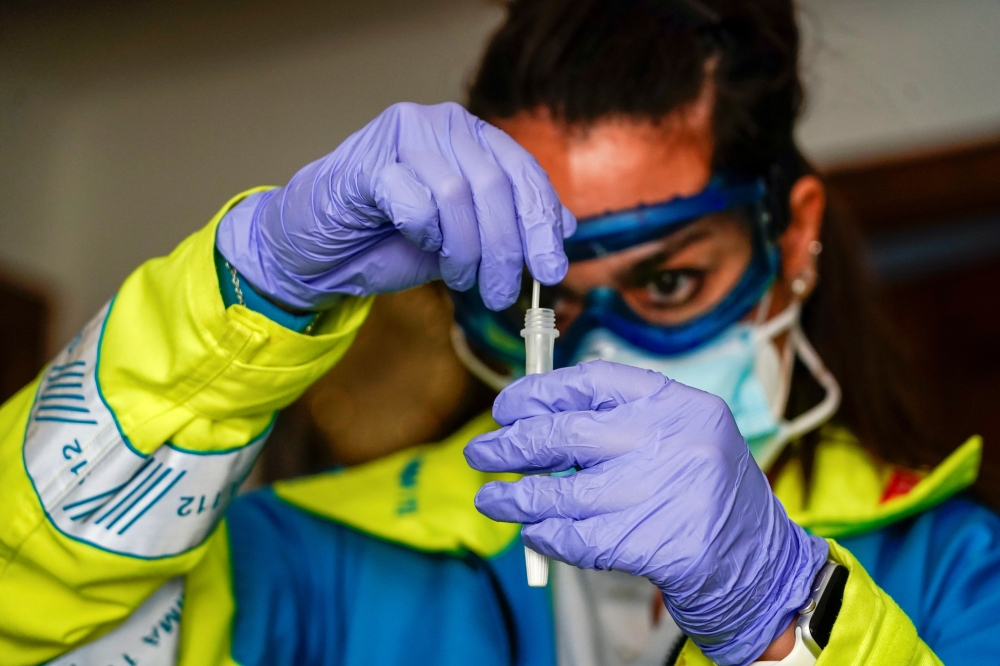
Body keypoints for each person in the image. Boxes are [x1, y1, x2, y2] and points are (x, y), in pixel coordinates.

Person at [1, 0, 997, 664]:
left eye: (670, 279)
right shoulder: (312, 560)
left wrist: (786, 614)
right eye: (545, 295)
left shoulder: (954, 568)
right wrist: (252, 285)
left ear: (796, 236)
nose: (598, 350)